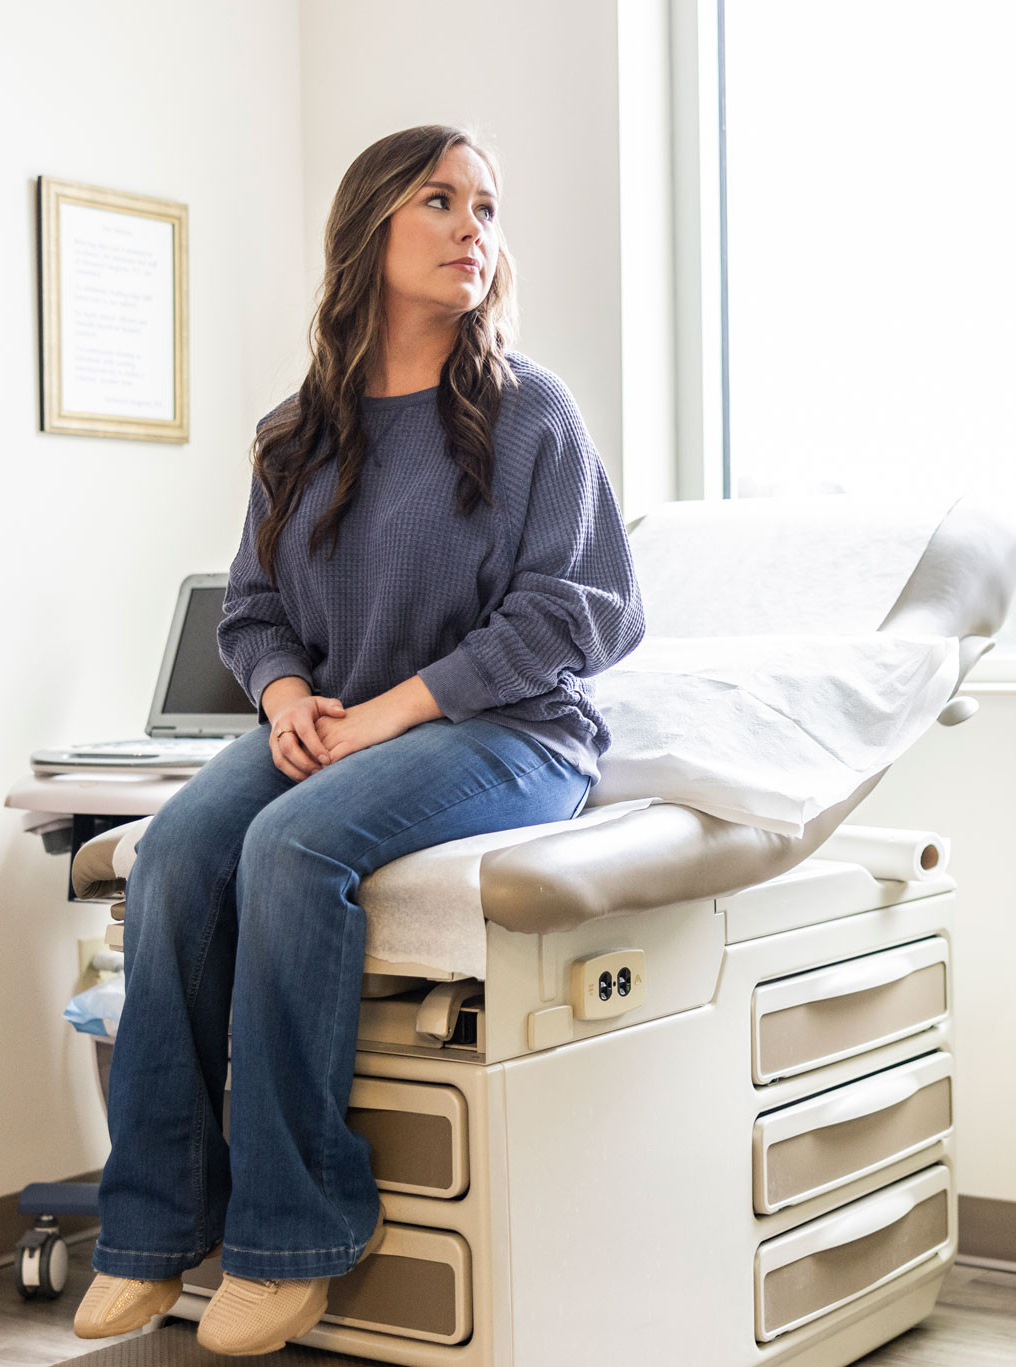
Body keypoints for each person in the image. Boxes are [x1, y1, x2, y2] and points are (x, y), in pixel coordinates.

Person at [75, 124, 645, 1356]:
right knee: (171, 851)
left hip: (512, 732)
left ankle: (291, 1237)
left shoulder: (526, 410)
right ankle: (150, 1227)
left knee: (289, 848)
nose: (470, 230)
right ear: (369, 231)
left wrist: (385, 710)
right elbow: (252, 609)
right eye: (440, 201)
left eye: (486, 208)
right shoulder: (300, 432)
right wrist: (284, 698)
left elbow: (584, 608)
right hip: (331, 721)